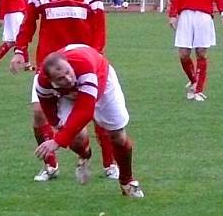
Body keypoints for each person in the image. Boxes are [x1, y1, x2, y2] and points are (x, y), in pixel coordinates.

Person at [9, 0, 118, 182]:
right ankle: (50, 165)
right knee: (39, 114)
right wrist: (20, 51)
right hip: (48, 70)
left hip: (82, 70)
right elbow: (28, 24)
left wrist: (94, 59)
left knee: (97, 115)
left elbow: (99, 33)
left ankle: (109, 163)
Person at [35, 45, 144, 198]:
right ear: (51, 80)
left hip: (103, 81)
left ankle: (127, 182)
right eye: (61, 78)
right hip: (67, 96)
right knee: (74, 137)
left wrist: (58, 140)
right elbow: (50, 113)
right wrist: (61, 130)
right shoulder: (42, 84)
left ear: (69, 64)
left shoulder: (83, 65)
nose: (68, 78)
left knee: (118, 136)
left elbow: (85, 111)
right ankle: (84, 155)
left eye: (68, 72)